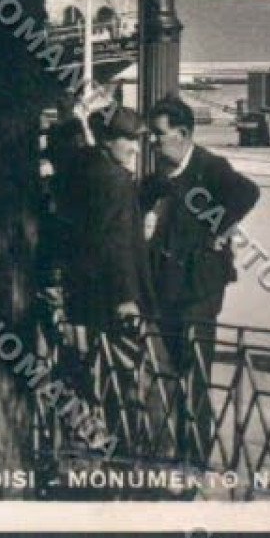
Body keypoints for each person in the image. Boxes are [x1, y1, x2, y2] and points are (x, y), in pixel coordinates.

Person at [142, 96, 259, 460]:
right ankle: (168, 444)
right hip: (164, 286)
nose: (153, 142)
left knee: (195, 369)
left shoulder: (211, 167)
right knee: (169, 367)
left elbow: (248, 193)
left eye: (158, 134)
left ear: (184, 133)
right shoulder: (160, 172)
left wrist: (217, 231)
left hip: (199, 287)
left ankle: (195, 452)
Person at [54, 106, 156, 444]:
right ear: (110, 141)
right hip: (115, 297)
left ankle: (86, 438)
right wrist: (128, 297)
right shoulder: (114, 179)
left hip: (83, 291)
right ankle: (128, 442)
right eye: (130, 140)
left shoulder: (79, 170)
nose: (136, 149)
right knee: (128, 372)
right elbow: (118, 244)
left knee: (84, 369)